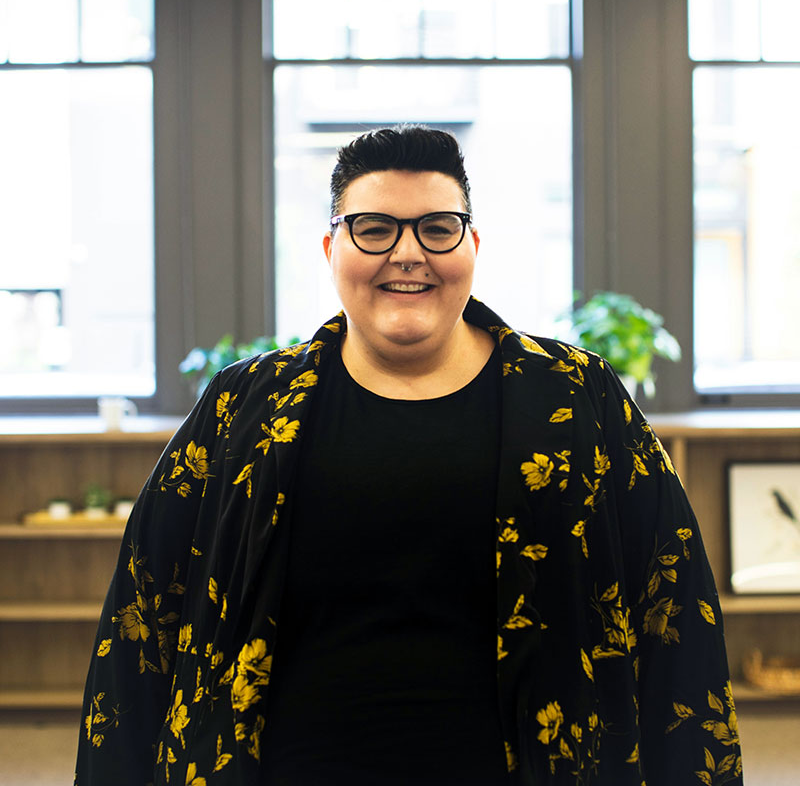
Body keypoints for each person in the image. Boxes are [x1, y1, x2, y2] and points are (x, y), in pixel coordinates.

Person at [76, 125, 743, 786]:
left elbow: (674, 607)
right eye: (374, 228)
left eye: (437, 228)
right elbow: (144, 617)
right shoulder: (245, 406)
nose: (407, 253)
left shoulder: (576, 395)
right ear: (331, 246)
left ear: (472, 245)